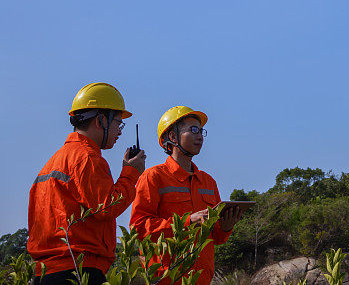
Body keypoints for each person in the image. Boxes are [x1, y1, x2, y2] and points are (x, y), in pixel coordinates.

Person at [28, 82, 147, 285]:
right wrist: (131, 173)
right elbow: (108, 206)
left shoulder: (53, 162)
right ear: (100, 120)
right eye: (118, 123)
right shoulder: (87, 158)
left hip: (46, 273)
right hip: (78, 270)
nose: (119, 131)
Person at [130, 106, 242, 285]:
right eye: (193, 130)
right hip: (166, 279)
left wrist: (226, 227)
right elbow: (139, 228)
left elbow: (217, 239)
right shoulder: (153, 177)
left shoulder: (208, 182)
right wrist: (188, 221)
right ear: (173, 137)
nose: (200, 136)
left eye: (201, 131)